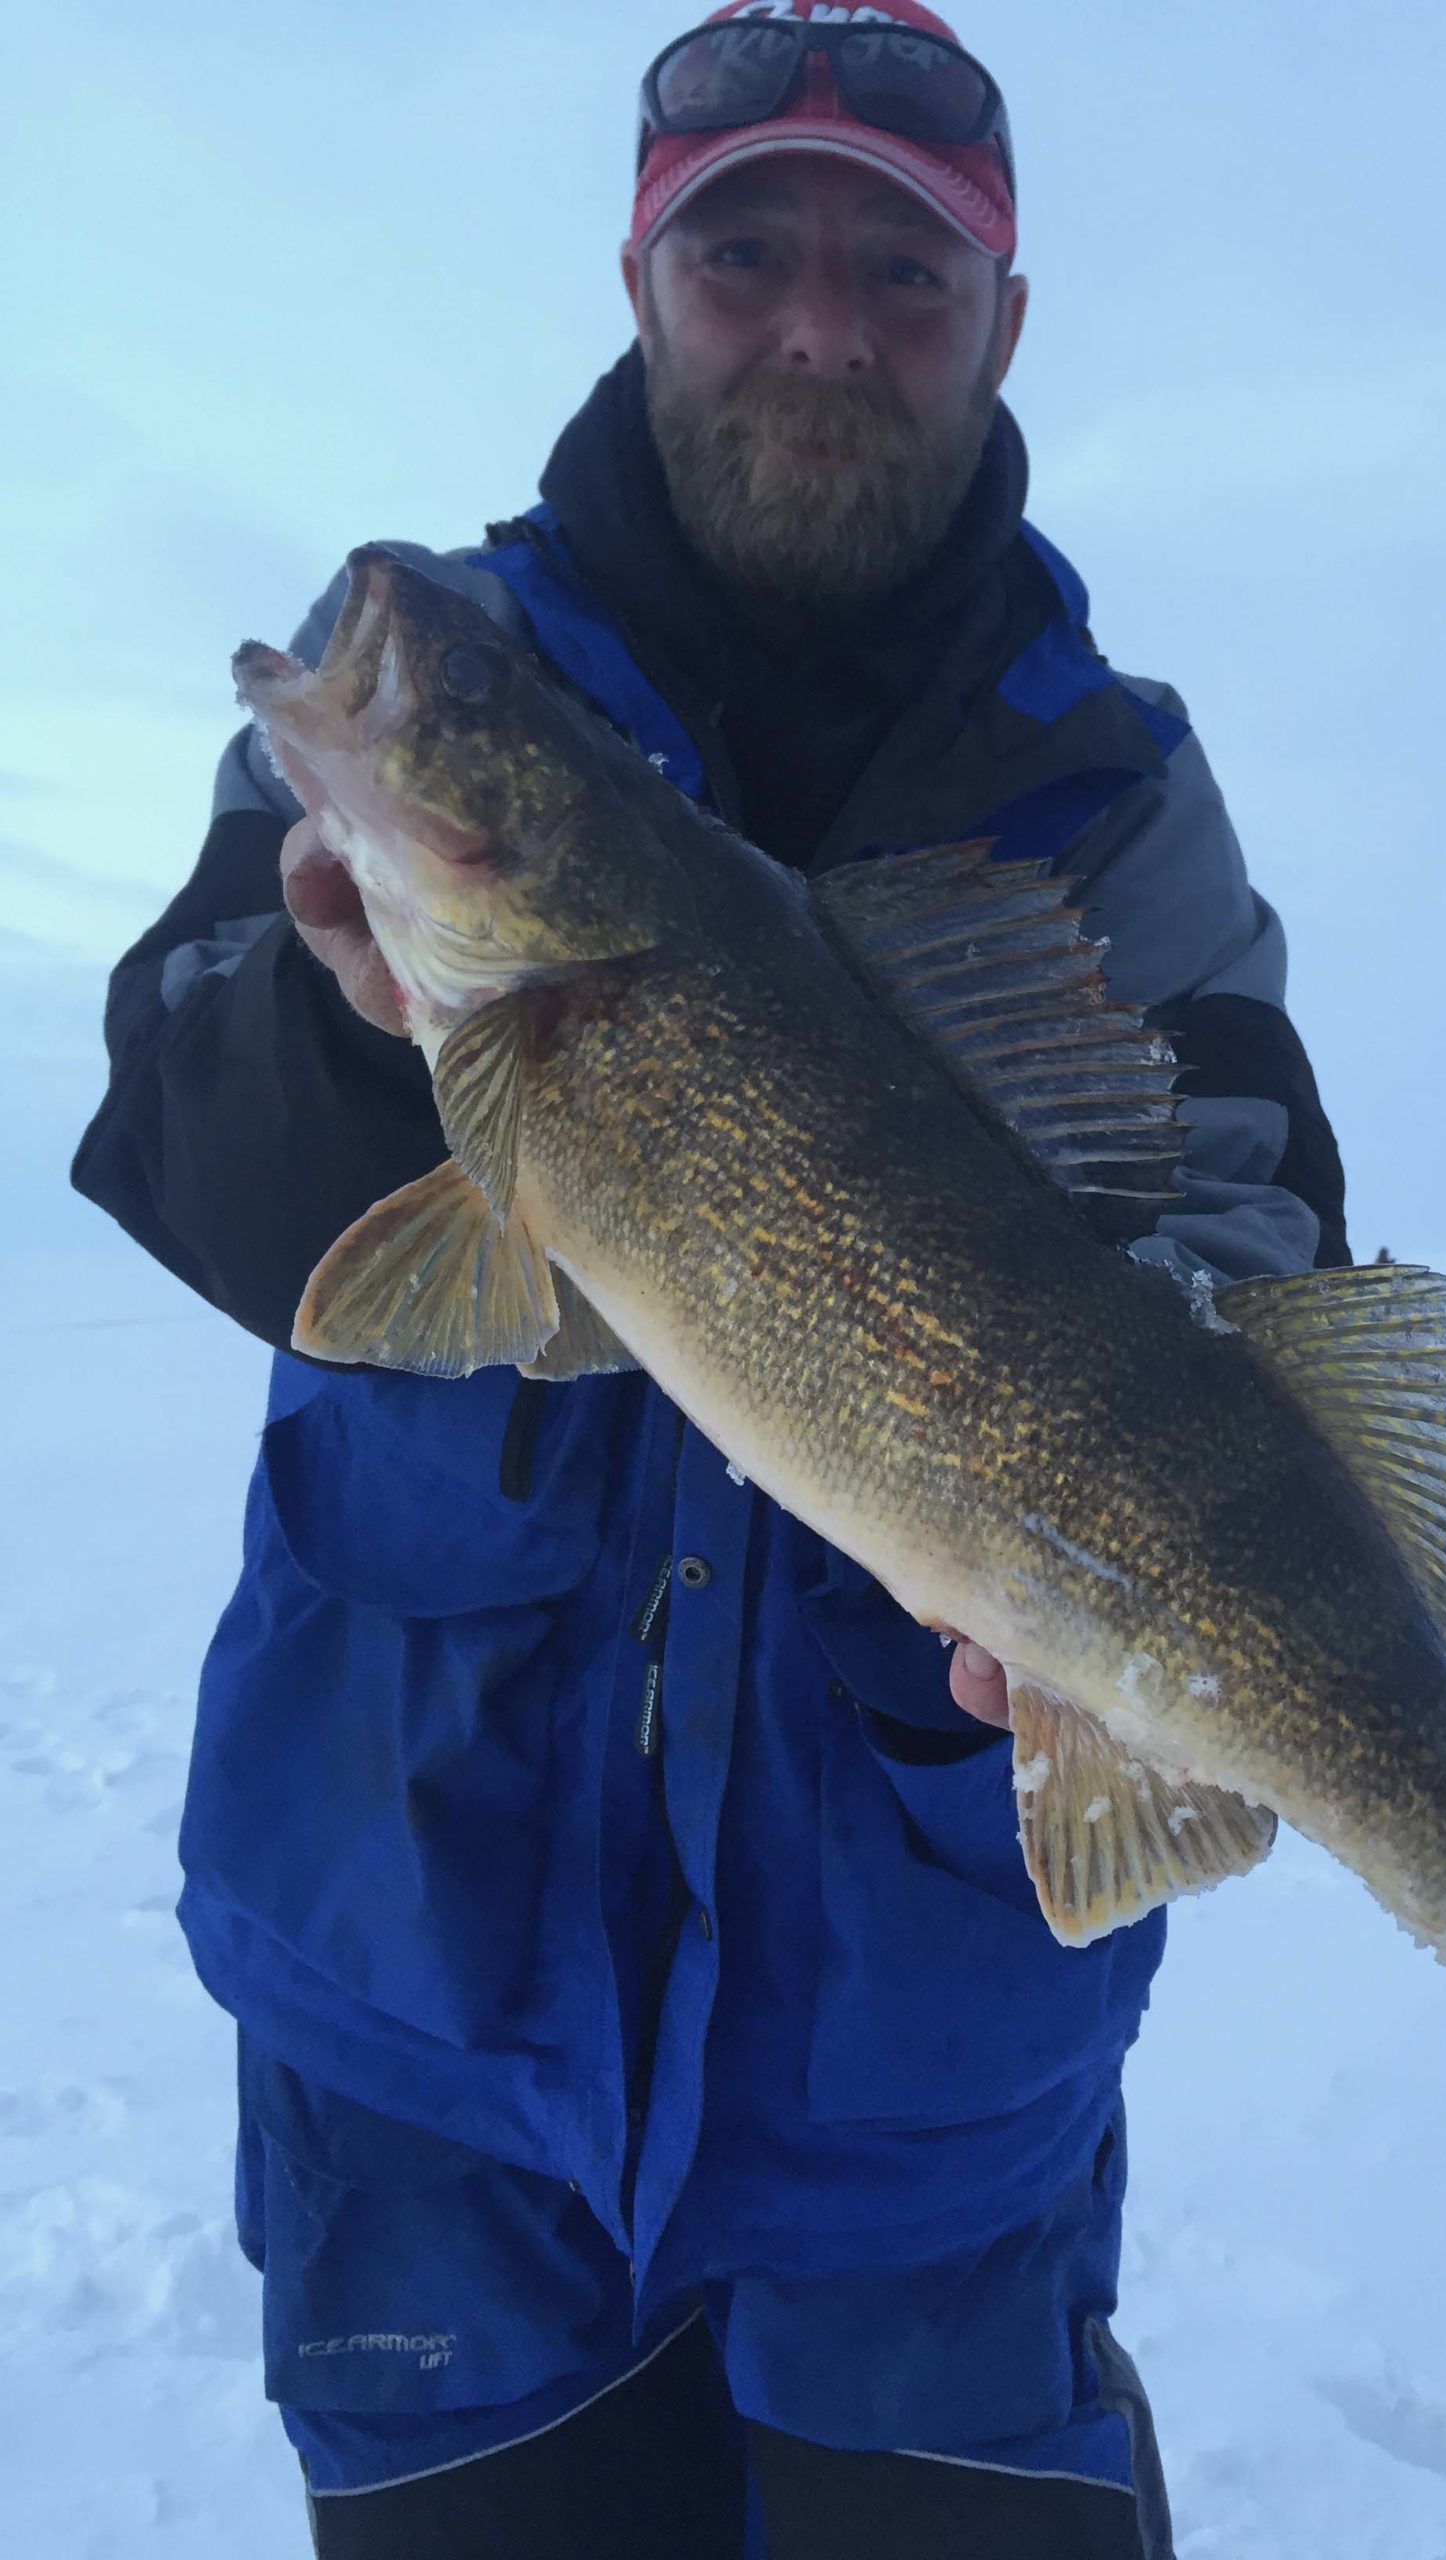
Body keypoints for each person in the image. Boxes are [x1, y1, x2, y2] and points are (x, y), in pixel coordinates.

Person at [74, 6, 1350, 2553]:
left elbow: (1253, 1214)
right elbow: (178, 1120)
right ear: (641, 280)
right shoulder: (439, 661)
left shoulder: (1113, 787)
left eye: (901, 270)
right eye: (745, 250)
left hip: (923, 2063)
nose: (819, 323)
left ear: (1000, 321)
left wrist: (1148, 1560)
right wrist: (364, 1041)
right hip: (422, 2019)